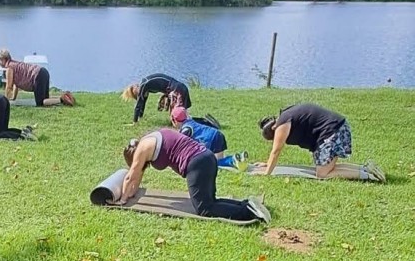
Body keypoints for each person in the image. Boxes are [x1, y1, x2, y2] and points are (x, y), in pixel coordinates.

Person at [120, 128, 271, 223]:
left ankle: (249, 212)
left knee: (204, 209)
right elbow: (137, 174)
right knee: (211, 201)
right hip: (207, 157)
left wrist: (122, 199)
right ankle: (247, 204)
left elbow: (131, 175)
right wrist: (132, 192)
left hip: (197, 164)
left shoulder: (141, 150)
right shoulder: (151, 137)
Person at [255, 103, 385, 182]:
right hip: (337, 127)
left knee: (322, 174)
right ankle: (365, 168)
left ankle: (368, 176)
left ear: (273, 128)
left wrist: (267, 173)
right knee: (328, 168)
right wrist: (267, 164)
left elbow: (276, 151)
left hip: (332, 132)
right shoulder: (286, 115)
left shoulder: (282, 124)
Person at [170, 106, 248, 170]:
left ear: (174, 120)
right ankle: (239, 158)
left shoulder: (186, 129)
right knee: (219, 160)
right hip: (218, 134)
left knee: (210, 163)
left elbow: (180, 148)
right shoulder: (191, 121)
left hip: (210, 139)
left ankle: (232, 160)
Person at [0, 50, 75, 107]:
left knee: (41, 103)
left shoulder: (9, 68)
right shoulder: (15, 64)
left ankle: (62, 99)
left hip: (37, 76)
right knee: (45, 99)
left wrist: (4, 102)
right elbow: (16, 83)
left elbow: (8, 87)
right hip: (43, 72)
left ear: (3, 59)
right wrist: (13, 97)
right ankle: (66, 96)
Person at [122, 73, 191, 123]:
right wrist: (140, 117)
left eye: (138, 95)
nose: (141, 95)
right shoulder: (146, 86)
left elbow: (138, 105)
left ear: (137, 90)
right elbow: (142, 103)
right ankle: (188, 122)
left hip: (177, 89)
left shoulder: (144, 84)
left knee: (178, 115)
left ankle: (187, 123)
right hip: (180, 88)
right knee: (181, 115)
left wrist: (134, 121)